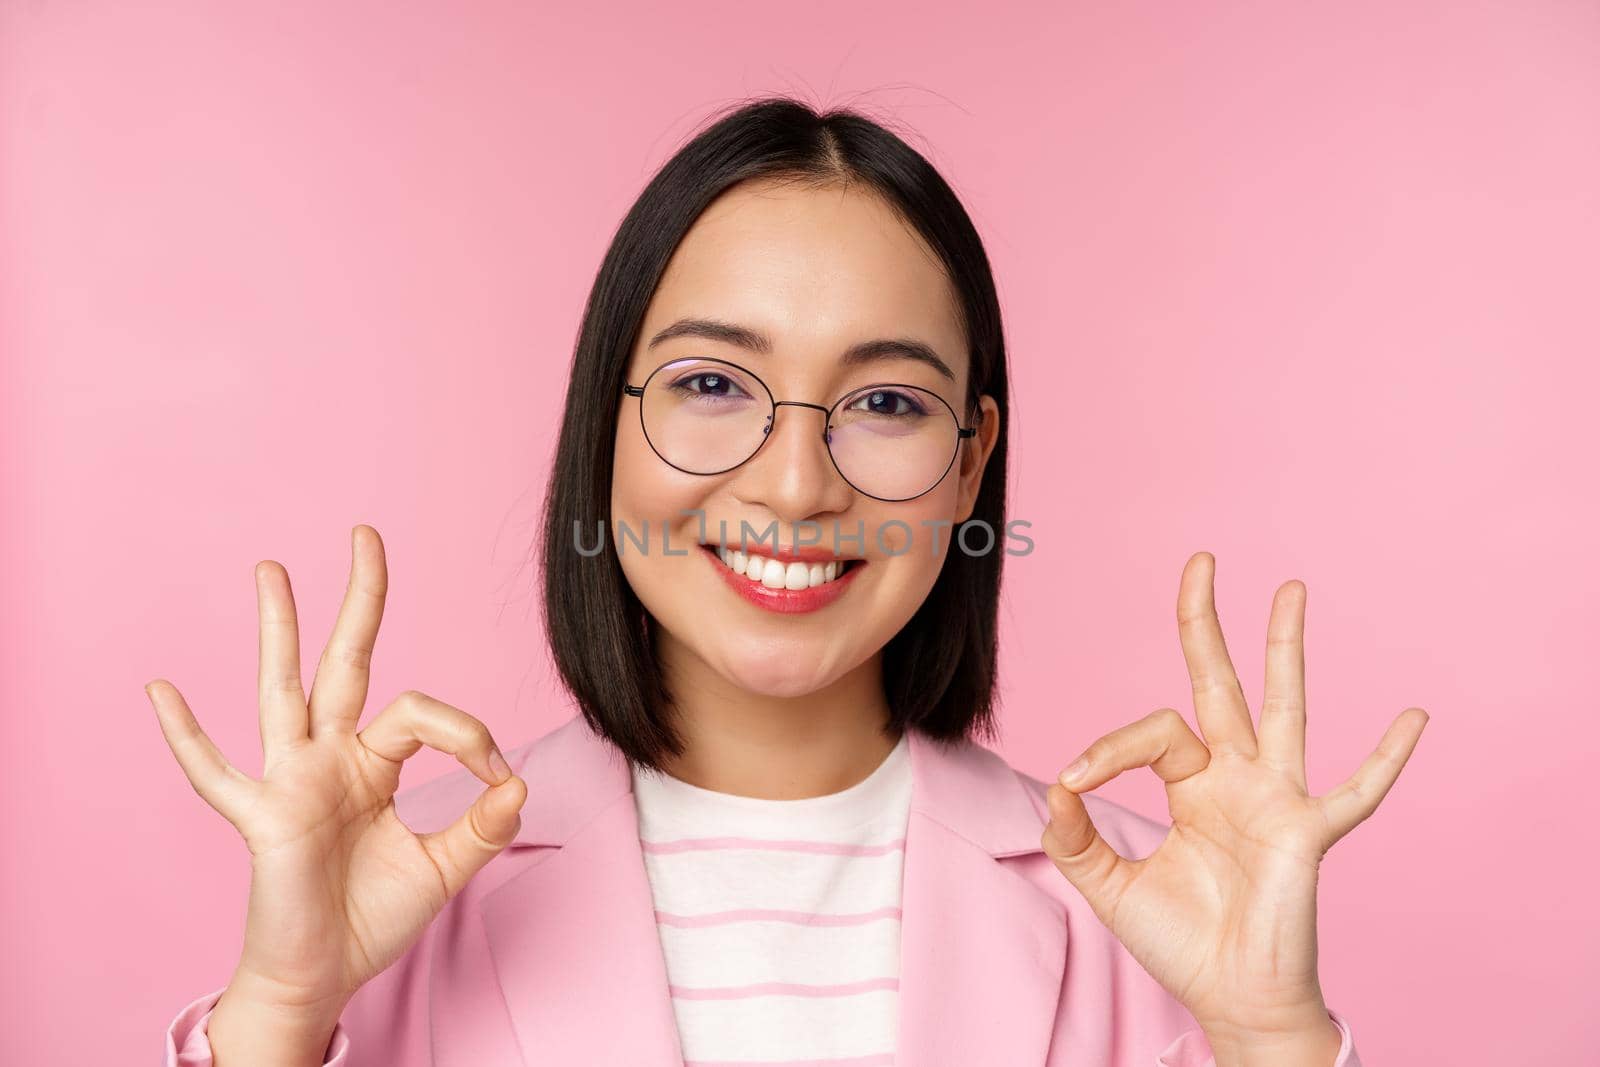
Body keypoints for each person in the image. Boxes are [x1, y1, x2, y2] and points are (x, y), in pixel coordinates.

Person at [152, 96, 1426, 1066]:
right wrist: (277, 1010)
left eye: (884, 401)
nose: (797, 486)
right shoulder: (389, 908)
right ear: (605, 418)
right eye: (712, 384)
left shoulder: (1155, 919)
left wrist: (1274, 1037)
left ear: (970, 460)